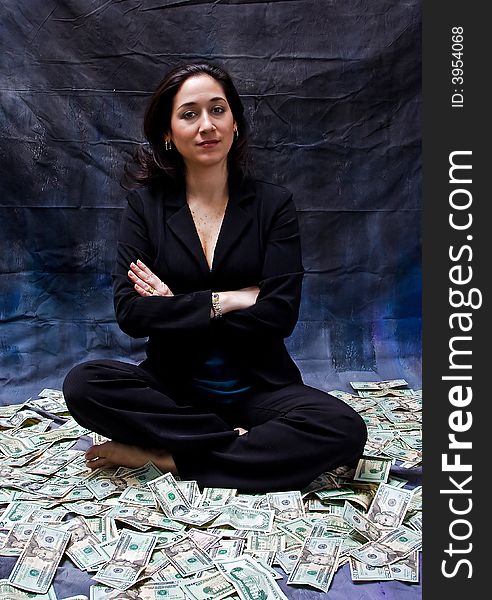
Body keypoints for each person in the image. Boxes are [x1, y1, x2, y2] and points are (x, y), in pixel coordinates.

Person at [63, 61, 367, 493]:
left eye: (218, 110)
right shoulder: (145, 208)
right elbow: (130, 313)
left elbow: (279, 315)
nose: (207, 125)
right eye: (189, 114)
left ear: (236, 123)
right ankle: (235, 449)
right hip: (174, 388)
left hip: (257, 388)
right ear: (168, 133)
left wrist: (174, 305)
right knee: (84, 384)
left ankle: (170, 456)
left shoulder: (273, 206)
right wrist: (226, 300)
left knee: (343, 428)